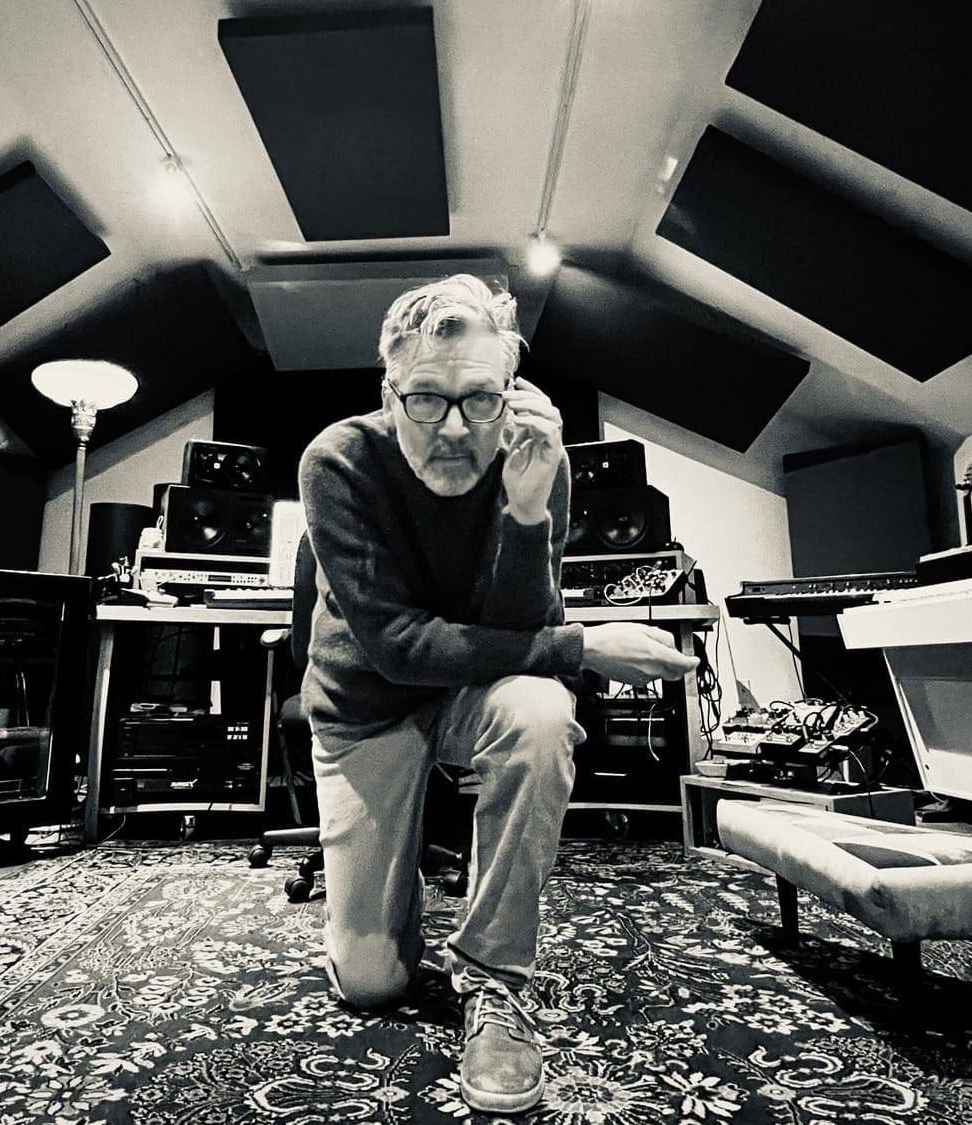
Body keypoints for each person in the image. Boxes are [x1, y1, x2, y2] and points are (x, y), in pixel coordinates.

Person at [296, 273, 699, 1113]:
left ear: (510, 393)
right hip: (366, 705)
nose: (454, 427)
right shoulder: (337, 460)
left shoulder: (537, 456)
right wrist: (583, 645)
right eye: (426, 399)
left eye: (480, 399)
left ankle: (492, 978)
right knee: (372, 980)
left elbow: (523, 637)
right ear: (389, 392)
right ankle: (383, 897)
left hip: (475, 692)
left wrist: (524, 509)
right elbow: (399, 647)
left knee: (542, 711)